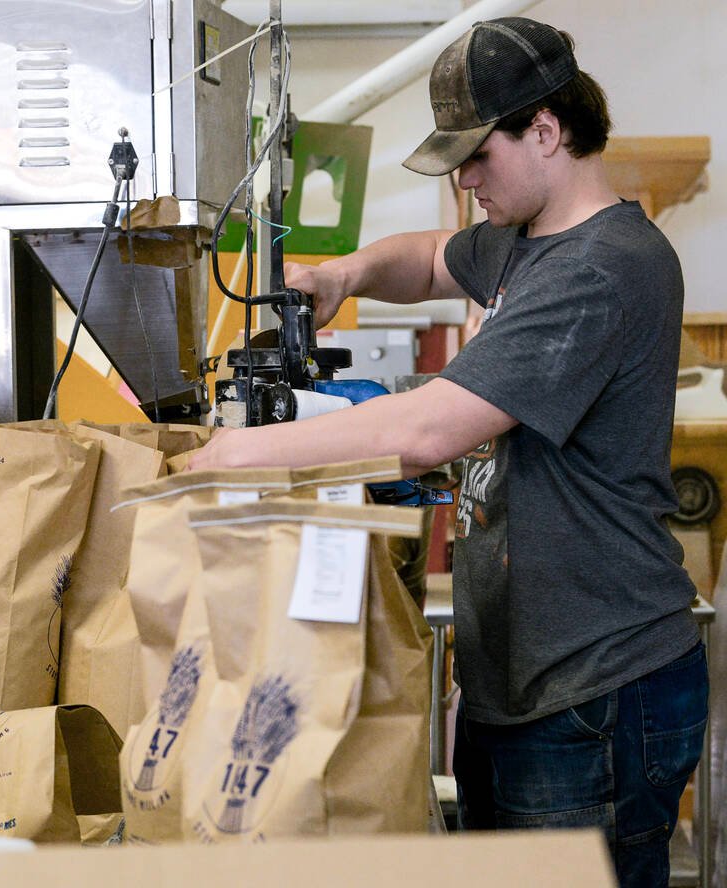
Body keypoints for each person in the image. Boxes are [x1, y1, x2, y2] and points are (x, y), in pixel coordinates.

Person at [190, 18, 707, 887]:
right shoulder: (522, 242)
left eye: (478, 156)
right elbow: (428, 258)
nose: (466, 182)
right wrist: (346, 272)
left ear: (546, 130)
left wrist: (240, 454)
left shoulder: (605, 266)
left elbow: (425, 431)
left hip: (596, 686)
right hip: (523, 678)